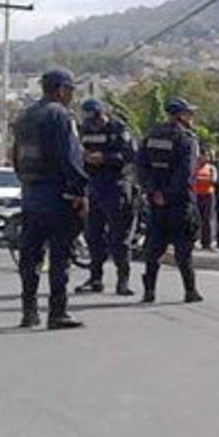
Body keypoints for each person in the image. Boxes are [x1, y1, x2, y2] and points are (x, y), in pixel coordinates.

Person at [12, 68, 89, 330]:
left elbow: (16, 158)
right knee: (59, 256)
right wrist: (80, 191)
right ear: (60, 90)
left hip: (31, 195)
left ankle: (28, 312)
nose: (71, 96)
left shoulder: (24, 117)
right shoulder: (60, 115)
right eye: (70, 90)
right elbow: (70, 158)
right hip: (58, 196)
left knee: (30, 257)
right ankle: (57, 312)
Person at [136, 97, 203, 303]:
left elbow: (141, 167)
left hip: (156, 203)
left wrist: (154, 191)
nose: (191, 118)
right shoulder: (186, 139)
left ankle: (149, 291)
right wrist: (168, 194)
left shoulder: (151, 136)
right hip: (179, 203)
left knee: (154, 248)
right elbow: (186, 173)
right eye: (189, 114)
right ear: (181, 115)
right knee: (183, 249)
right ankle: (190, 291)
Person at [75, 98, 135, 296]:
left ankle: (123, 280)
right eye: (92, 120)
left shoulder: (118, 128)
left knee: (119, 236)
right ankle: (95, 278)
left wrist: (105, 158)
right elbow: (77, 151)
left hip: (116, 184)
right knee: (93, 235)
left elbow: (130, 155)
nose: (96, 123)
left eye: (98, 118)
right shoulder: (85, 129)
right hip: (93, 185)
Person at [193, 151, 217, 251]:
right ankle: (195, 240)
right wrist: (202, 179)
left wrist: (201, 179)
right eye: (202, 155)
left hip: (208, 195)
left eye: (206, 155)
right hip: (196, 194)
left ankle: (207, 242)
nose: (204, 157)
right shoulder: (194, 167)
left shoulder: (211, 168)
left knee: (207, 219)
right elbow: (191, 178)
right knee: (196, 218)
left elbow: (214, 180)